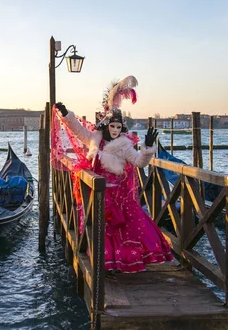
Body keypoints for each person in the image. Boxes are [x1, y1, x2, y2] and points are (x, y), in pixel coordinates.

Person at [52, 75, 174, 273]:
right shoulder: (94, 138)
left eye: (119, 127)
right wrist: (67, 115)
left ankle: (121, 262)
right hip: (96, 193)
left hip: (118, 196)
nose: (116, 130)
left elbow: (138, 162)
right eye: (113, 126)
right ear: (106, 126)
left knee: (126, 231)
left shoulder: (125, 145)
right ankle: (105, 262)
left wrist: (147, 149)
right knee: (99, 230)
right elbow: (78, 131)